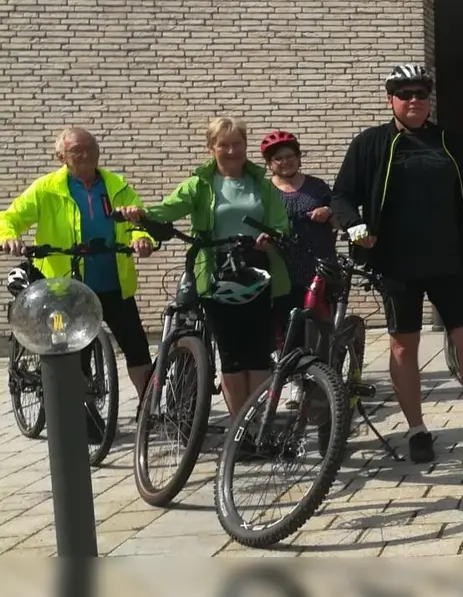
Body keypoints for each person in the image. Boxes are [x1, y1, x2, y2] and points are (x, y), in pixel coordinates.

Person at [330, 64, 463, 462]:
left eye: (421, 93)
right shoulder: (370, 144)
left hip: (447, 258)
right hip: (397, 262)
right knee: (405, 345)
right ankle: (417, 430)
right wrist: (355, 227)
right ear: (391, 100)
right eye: (405, 94)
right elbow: (342, 197)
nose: (414, 100)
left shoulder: (449, 142)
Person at [123, 118, 290, 420]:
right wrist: (141, 215)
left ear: (245, 145)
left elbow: (280, 222)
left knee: (258, 352)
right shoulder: (199, 183)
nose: (230, 150)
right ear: (211, 147)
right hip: (215, 273)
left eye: (236, 143)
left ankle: (258, 424)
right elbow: (169, 208)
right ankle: (239, 428)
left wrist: (271, 237)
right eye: (223, 144)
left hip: (257, 270)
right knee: (231, 354)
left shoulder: (261, 184)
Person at [0, 127, 157, 408]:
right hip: (63, 288)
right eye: (76, 151)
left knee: (138, 351)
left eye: (90, 148)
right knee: (72, 355)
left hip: (114, 283)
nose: (85, 155)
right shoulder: (46, 188)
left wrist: (142, 238)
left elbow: (138, 223)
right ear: (62, 156)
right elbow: (10, 217)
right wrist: (8, 236)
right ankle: (80, 414)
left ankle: (150, 412)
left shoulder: (117, 185)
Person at [259, 130, 339, 346]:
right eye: (279, 158)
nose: (286, 162)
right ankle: (293, 372)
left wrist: (328, 212)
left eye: (291, 156)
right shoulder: (263, 191)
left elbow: (339, 219)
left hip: (318, 265)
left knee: (321, 324)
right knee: (287, 325)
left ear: (299, 157)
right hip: (281, 268)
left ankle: (326, 371)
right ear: (269, 163)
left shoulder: (317, 187)